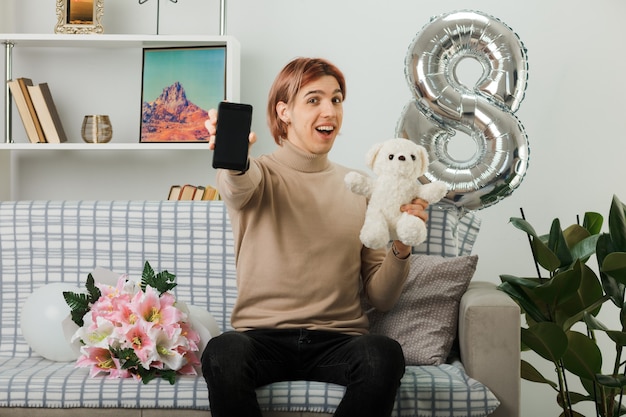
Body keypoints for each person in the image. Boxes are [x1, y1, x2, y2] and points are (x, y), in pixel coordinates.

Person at [201, 57, 429, 417]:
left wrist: (401, 245)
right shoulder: (258, 172)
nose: (330, 110)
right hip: (262, 340)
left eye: (336, 100)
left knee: (382, 354)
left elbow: (380, 298)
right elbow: (236, 187)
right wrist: (234, 160)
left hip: (338, 343)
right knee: (222, 352)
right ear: (284, 112)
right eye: (314, 99)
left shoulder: (360, 186)